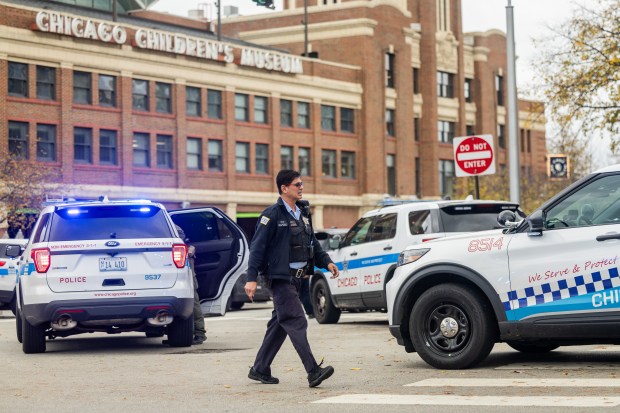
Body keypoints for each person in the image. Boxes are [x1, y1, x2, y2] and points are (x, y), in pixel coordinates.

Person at [244, 170, 339, 388]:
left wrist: (327, 262)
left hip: (299, 279)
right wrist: (251, 278)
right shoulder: (272, 214)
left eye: (301, 184)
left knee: (279, 323)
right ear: (284, 188)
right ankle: (313, 371)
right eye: (297, 184)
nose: (301, 187)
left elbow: (312, 243)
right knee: (296, 319)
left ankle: (260, 368)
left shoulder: (303, 213)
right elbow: (257, 248)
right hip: (280, 278)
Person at [175, 225, 207, 345]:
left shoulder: (174, 228)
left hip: (185, 274)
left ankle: (199, 332)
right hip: (180, 274)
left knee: (193, 302)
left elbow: (180, 239)